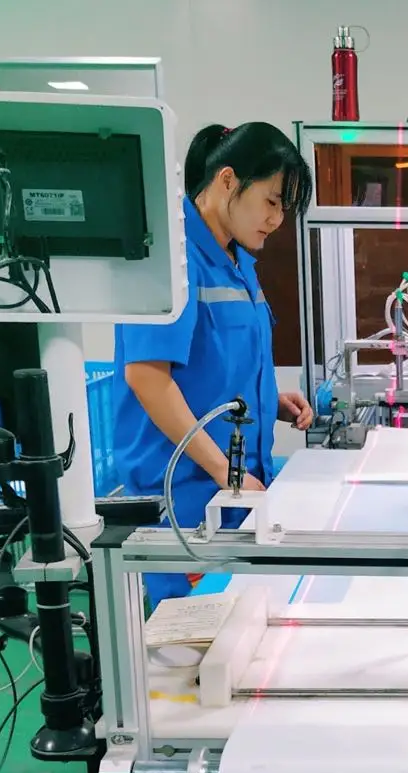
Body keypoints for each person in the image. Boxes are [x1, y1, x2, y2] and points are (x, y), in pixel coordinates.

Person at [114, 122, 315, 605]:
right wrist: (226, 472)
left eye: (284, 209)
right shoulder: (173, 258)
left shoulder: (237, 261)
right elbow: (147, 376)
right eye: (271, 202)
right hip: (183, 499)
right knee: (186, 641)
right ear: (228, 181)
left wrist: (269, 401)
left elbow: (216, 360)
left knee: (235, 630)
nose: (277, 220)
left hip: (232, 489)